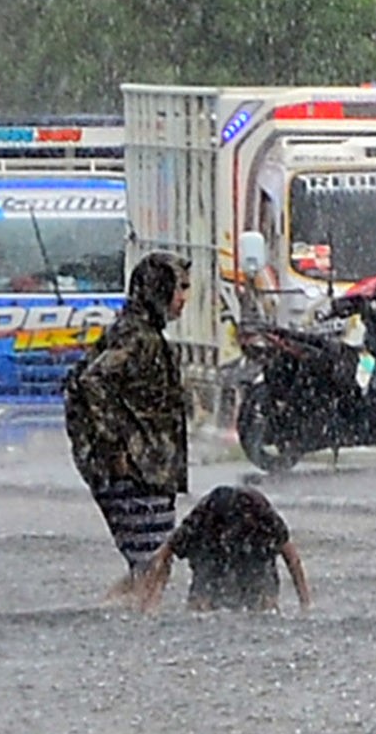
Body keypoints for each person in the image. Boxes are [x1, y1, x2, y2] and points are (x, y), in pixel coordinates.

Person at [64, 250, 192, 595]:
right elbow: (93, 381)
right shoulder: (138, 337)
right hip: (136, 472)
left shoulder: (142, 332)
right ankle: (135, 629)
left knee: (149, 566)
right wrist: (114, 446)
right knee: (152, 565)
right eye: (179, 288)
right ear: (159, 288)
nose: (184, 298)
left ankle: (120, 618)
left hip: (148, 468)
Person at [133, 484, 312, 614]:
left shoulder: (260, 513)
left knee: (263, 602)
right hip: (210, 554)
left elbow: (292, 559)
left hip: (255, 556)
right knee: (201, 604)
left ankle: (263, 604)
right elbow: (163, 556)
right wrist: (151, 602)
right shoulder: (202, 518)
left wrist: (305, 604)